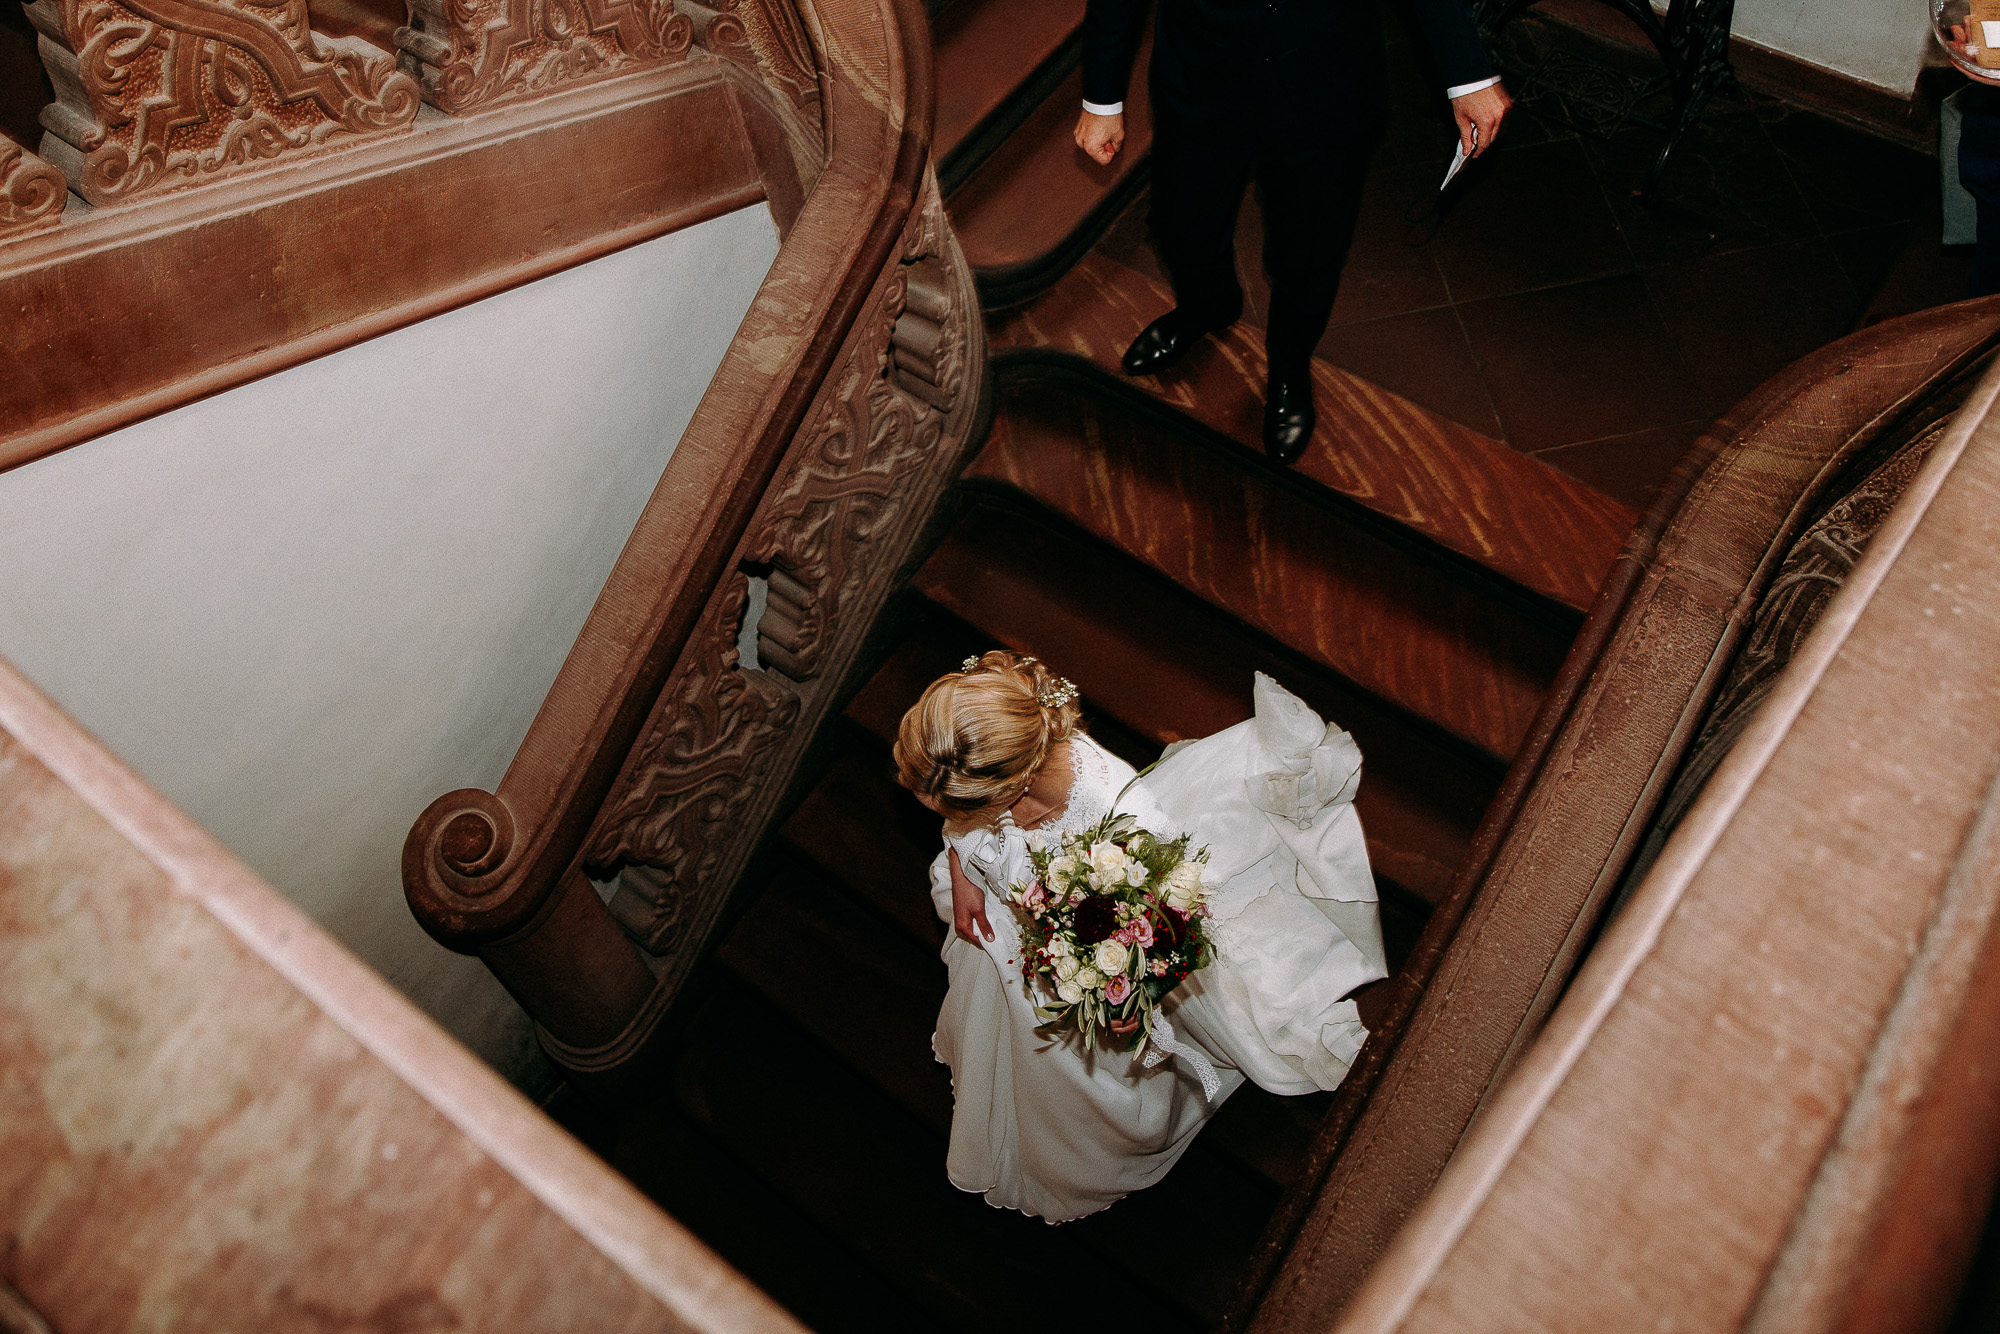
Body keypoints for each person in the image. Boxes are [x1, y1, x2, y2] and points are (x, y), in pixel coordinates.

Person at [896, 650, 1387, 1221]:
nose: (950, 814)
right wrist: (963, 868)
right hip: (1026, 917)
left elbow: (1170, 932)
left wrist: (1137, 997)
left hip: (1114, 914)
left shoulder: (1126, 820)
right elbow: (959, 813)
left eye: (969, 808)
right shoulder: (970, 741)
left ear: (1017, 781)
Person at [1075, 0, 1511, 463]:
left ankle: (1289, 364)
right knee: (1181, 222)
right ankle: (1207, 307)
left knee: (1310, 250)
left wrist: (1468, 75)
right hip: (1202, 73)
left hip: (1328, 76)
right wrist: (1102, 95)